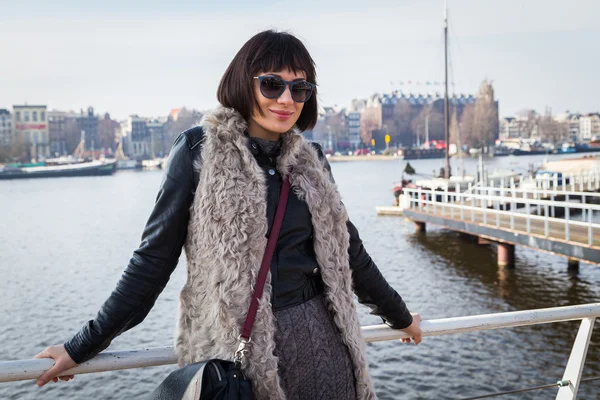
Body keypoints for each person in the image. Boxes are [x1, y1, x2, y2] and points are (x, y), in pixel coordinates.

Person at [34, 29, 422, 399]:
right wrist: (82, 346)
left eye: (299, 88)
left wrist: (400, 316)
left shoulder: (312, 161)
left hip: (320, 346)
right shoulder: (198, 152)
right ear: (244, 83)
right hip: (233, 360)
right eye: (272, 84)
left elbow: (350, 252)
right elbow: (152, 262)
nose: (286, 99)